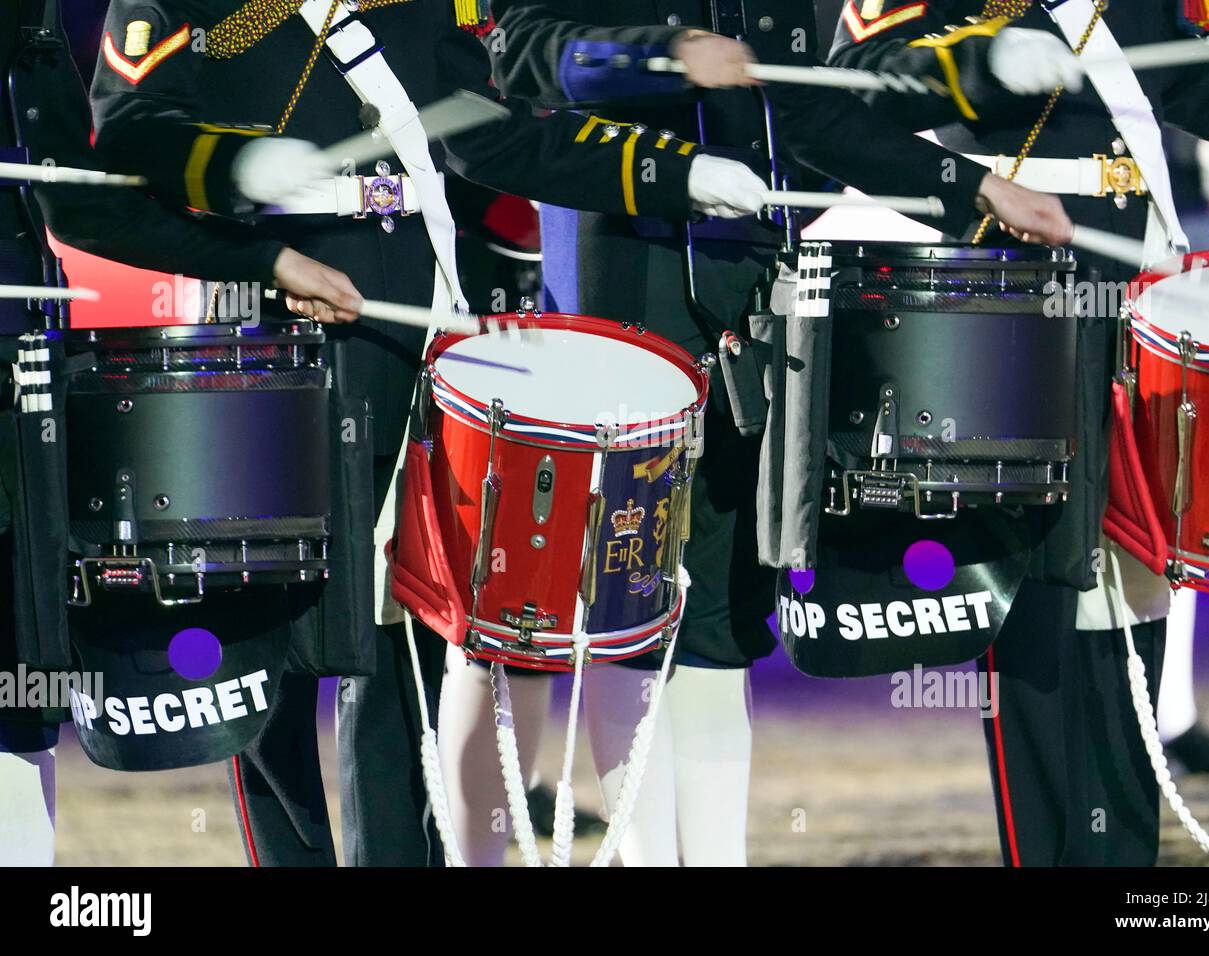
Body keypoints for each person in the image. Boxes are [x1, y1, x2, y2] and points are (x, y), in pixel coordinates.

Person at [89, 0, 769, 866]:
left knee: (399, 646)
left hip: (406, 345)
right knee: (265, 664)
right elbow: (131, 132)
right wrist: (240, 178)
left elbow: (493, 136)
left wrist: (675, 173)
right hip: (257, 348)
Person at [446, 0, 1074, 866]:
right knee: (620, 615)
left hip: (749, 310)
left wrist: (972, 190)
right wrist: (668, 53)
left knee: (719, 623)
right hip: (615, 301)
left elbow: (809, 113)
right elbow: (523, 57)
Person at [830, 0, 1209, 865]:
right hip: (1009, 282)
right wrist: (984, 62)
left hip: (1139, 283)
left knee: (1132, 590)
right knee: (1040, 593)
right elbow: (860, 82)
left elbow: (1191, 83)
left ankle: (1120, 861)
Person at [0, 0, 361, 866]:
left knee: (16, 707)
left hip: (14, 364)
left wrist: (264, 259)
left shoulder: (36, 22)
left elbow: (81, 204)